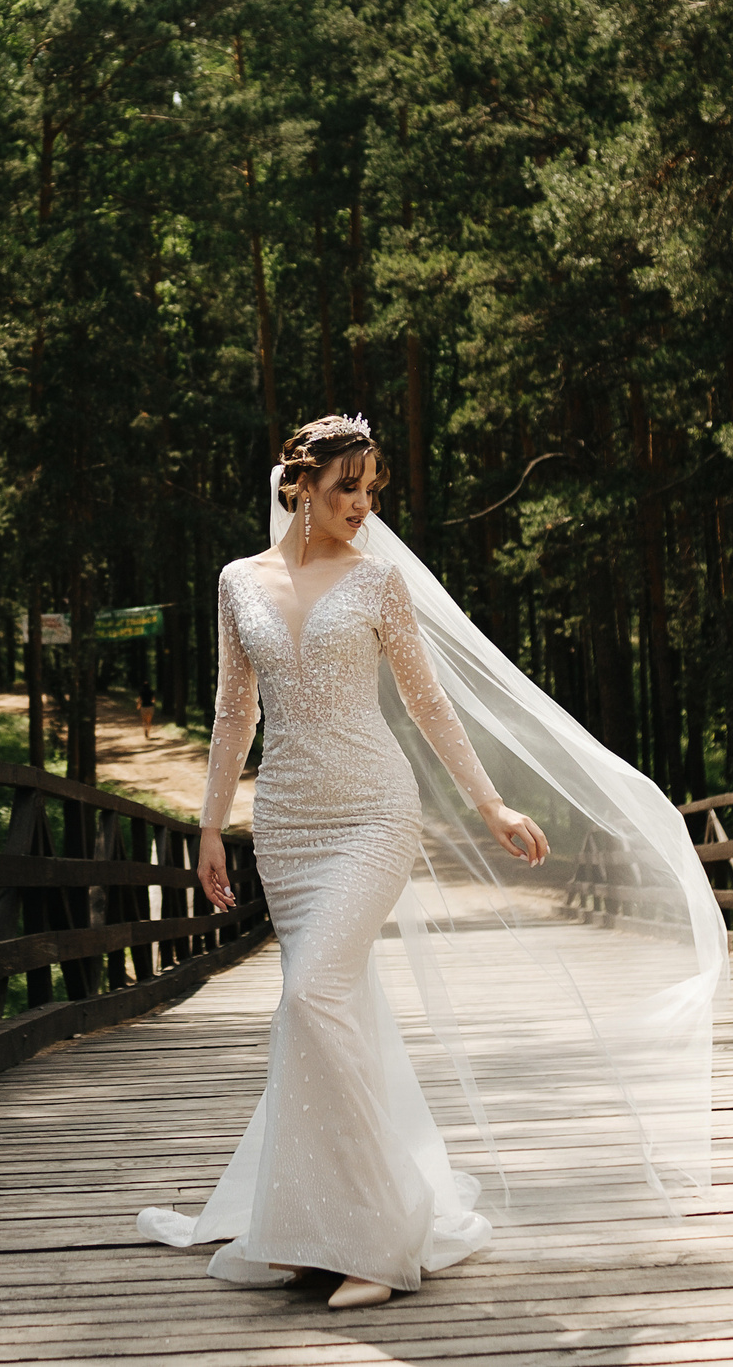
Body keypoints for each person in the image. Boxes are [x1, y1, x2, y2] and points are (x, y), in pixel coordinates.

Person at [138, 414, 552, 1310]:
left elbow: (430, 705)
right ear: (299, 486)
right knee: (327, 1014)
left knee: (312, 993)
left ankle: (380, 1231)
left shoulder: (380, 584)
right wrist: (213, 826)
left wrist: (488, 802)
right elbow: (232, 715)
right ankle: (303, 1226)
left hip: (372, 811)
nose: (362, 506)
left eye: (371, 490)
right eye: (345, 488)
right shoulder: (236, 583)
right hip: (287, 823)